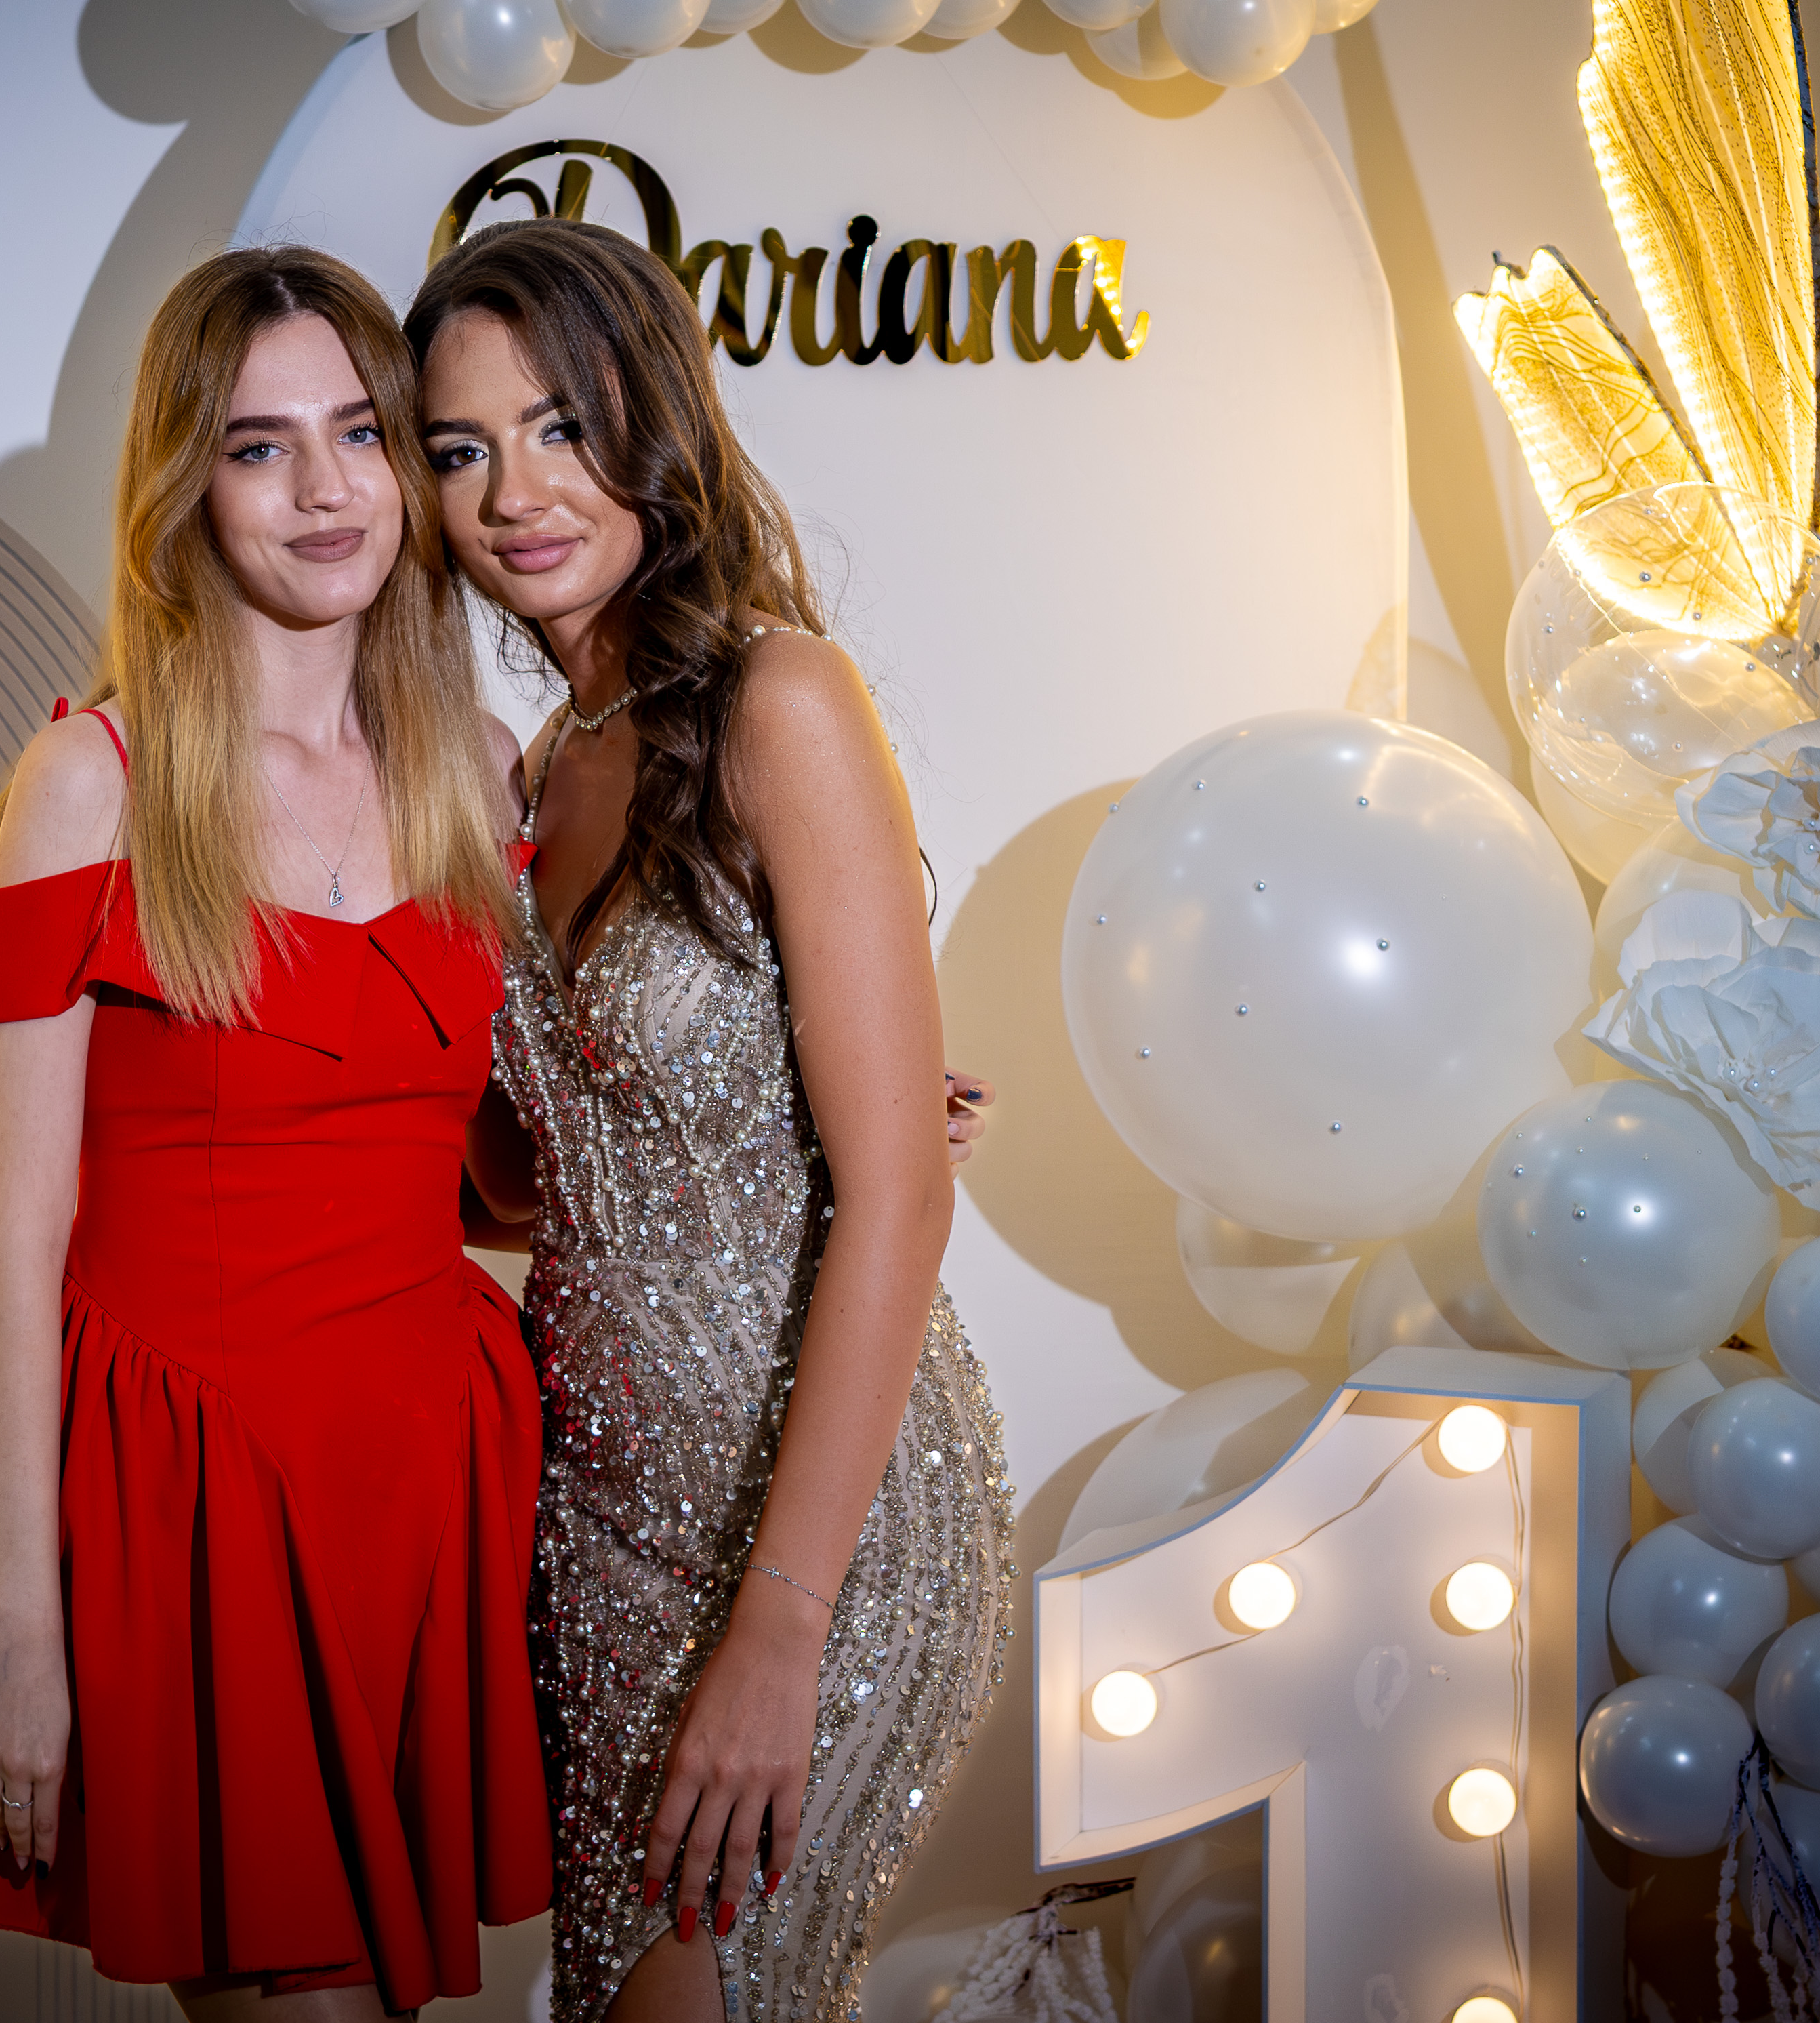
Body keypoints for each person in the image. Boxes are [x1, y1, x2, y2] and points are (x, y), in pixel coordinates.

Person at [0, 245, 547, 2020]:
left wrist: (799, 1141)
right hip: (196, 1502)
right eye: (260, 447)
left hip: (430, 1475)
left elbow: (483, 1171)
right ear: (188, 485)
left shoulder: (481, 769)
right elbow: (13, 1239)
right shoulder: (91, 782)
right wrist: (26, 1631)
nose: (325, 490)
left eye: (360, 433)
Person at [411, 219, 1019, 2023]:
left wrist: (779, 1627)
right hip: (595, 1521)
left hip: (813, 1529)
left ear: (653, 421)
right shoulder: (536, 766)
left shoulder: (781, 699)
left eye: (560, 425)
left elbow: (899, 1205)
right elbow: (531, 1187)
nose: (516, 494)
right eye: (460, 448)